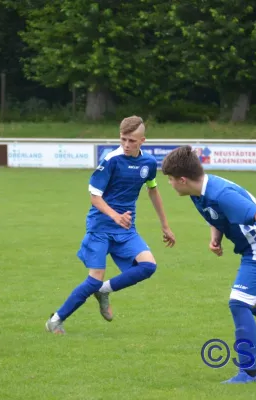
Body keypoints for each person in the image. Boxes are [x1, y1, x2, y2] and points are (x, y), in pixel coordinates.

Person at [161, 146, 256, 384]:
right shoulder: (198, 191)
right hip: (252, 248)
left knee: (238, 303)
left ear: (182, 180)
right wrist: (216, 237)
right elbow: (214, 215)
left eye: (171, 180)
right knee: (251, 303)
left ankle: (248, 373)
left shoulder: (222, 193)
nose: (170, 184)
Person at [46, 116, 176, 334]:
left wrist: (165, 225)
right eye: (123, 139)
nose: (126, 145)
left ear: (142, 140)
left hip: (125, 229)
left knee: (148, 266)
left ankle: (104, 291)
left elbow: (152, 190)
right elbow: (94, 197)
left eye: (132, 141)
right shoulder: (111, 160)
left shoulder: (149, 164)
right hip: (100, 227)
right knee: (93, 279)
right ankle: (55, 320)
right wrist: (116, 216)